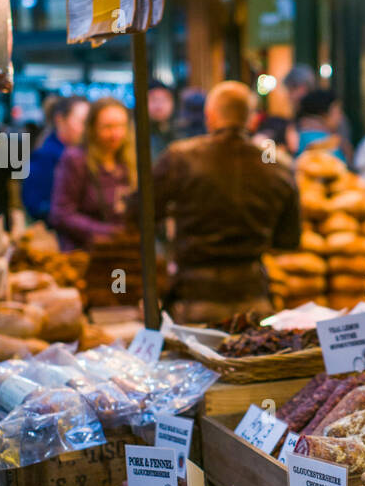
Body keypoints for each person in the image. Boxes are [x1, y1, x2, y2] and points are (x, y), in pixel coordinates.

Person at [144, 80, 301, 323]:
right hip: (254, 300)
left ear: (210, 116)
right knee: (251, 358)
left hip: (195, 300)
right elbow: (289, 240)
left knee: (194, 362)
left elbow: (139, 214)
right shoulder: (277, 167)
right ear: (251, 120)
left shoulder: (180, 158)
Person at [50, 97, 135, 250]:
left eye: (121, 126)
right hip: (86, 254)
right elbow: (61, 214)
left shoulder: (129, 161)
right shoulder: (76, 159)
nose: (115, 134)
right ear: (93, 127)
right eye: (108, 127)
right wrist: (110, 232)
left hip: (124, 251)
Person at [22, 94, 89, 224]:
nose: (87, 129)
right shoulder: (45, 156)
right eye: (82, 122)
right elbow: (35, 205)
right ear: (60, 120)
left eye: (89, 122)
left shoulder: (85, 153)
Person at [295, 88, 349, 163]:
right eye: (338, 111)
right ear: (324, 114)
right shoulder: (325, 142)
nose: (341, 117)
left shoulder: (298, 135)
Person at [147, 83, 176, 161]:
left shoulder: (180, 132)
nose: (159, 105)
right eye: (153, 99)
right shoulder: (136, 134)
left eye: (164, 100)